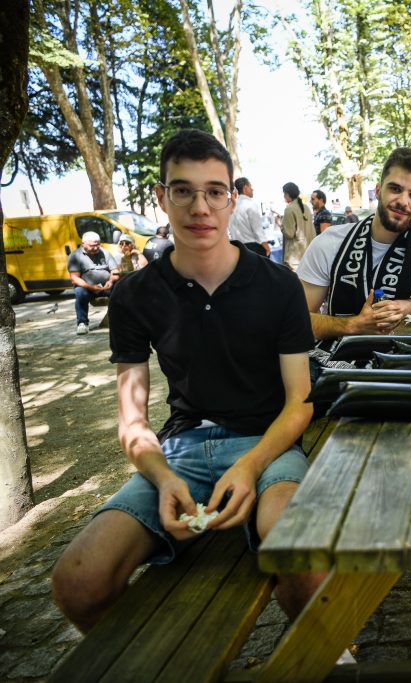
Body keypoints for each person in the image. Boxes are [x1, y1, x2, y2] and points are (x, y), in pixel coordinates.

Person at [50, 129, 323, 633]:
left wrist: (249, 466)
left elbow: (300, 403)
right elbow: (132, 423)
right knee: (78, 581)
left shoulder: (278, 284)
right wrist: (163, 477)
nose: (200, 207)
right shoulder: (134, 295)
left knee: (301, 554)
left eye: (214, 192)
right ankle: (149, 663)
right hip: (181, 450)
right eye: (183, 191)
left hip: (268, 443)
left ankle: (320, 654)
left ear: (231, 199)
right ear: (161, 197)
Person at [297, 147, 411, 340]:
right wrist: (353, 325)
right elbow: (294, 320)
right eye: (395, 189)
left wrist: (410, 305)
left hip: (402, 354)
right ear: (378, 190)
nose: (403, 201)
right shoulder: (328, 244)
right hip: (338, 355)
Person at [67, 231, 120, 335]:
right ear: (83, 244)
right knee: (79, 292)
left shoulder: (105, 253)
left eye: (97, 245)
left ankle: (119, 320)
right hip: (87, 288)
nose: (96, 248)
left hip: (106, 286)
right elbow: (74, 278)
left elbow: (115, 272)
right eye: (92, 246)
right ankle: (82, 323)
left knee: (120, 288)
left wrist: (111, 281)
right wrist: (90, 287)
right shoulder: (75, 256)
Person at [228, 177, 270, 256]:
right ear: (245, 187)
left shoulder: (232, 206)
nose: (252, 189)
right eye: (250, 186)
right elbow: (258, 230)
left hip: (237, 249)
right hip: (253, 248)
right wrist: (267, 247)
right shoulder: (250, 204)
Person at [281, 182, 315, 270]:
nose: (284, 196)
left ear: (287, 194)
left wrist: (281, 225)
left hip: (295, 258)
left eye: (284, 194)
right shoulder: (306, 207)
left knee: (296, 279)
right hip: (308, 253)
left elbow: (289, 234)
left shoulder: (289, 209)